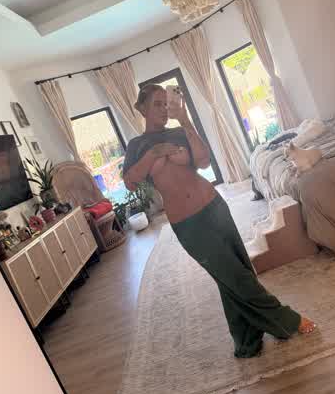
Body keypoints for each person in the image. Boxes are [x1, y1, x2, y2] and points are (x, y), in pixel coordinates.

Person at [122, 83, 316, 358]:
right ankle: (288, 321)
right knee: (232, 275)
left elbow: (203, 161)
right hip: (188, 224)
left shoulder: (178, 132)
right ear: (141, 108)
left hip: (214, 207)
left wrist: (185, 119)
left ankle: (246, 341)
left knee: (238, 271)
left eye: (166, 103)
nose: (164, 109)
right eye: (157, 104)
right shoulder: (137, 146)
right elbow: (130, 182)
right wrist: (155, 153)